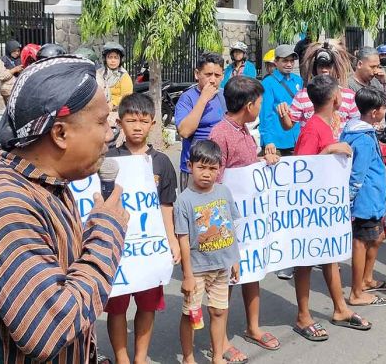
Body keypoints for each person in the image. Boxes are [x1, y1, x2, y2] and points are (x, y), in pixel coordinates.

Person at [0, 56, 129, 361]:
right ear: (59, 133)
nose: (110, 133)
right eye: (101, 121)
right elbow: (49, 329)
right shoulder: (3, 205)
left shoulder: (46, 185)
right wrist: (106, 234)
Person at [292, 74, 370, 341]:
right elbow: (299, 169)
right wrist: (328, 152)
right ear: (335, 98)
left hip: (327, 207)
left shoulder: (328, 124)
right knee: (304, 260)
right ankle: (303, 316)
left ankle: (340, 308)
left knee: (330, 256)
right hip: (309, 207)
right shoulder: (313, 128)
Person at [209, 76, 280, 360]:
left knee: (252, 273)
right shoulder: (220, 134)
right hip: (226, 221)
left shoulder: (245, 131)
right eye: (260, 103)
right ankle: (222, 341)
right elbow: (215, 181)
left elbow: (246, 169)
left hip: (250, 222)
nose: (261, 107)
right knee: (224, 281)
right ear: (249, 105)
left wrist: (265, 160)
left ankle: (253, 326)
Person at [104, 93, 179, 364]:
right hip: (118, 249)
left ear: (153, 124)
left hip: (149, 247)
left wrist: (172, 241)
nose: (137, 126)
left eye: (143, 121)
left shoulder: (161, 162)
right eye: (131, 120)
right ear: (120, 122)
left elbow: (166, 206)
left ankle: (140, 358)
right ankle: (122, 358)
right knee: (117, 308)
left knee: (147, 307)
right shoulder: (108, 161)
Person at [175, 140, 241, 364]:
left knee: (219, 311)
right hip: (197, 270)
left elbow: (231, 227)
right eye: (201, 167)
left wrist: (235, 260)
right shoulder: (183, 201)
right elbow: (182, 239)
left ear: (219, 170)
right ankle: (188, 358)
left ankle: (217, 356)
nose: (207, 173)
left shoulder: (224, 192)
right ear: (189, 165)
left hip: (222, 266)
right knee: (191, 314)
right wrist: (187, 275)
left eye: (213, 168)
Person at [340, 87, 386, 307]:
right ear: (374, 112)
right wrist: (350, 201)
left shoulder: (358, 131)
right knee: (360, 242)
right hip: (365, 201)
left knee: (377, 237)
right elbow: (357, 175)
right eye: (383, 109)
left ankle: (366, 279)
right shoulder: (363, 139)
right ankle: (356, 292)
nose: (385, 112)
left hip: (374, 199)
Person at [278, 40, 359, 138]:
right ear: (314, 68)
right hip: (312, 151)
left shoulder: (349, 96)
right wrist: (283, 113)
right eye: (320, 66)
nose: (324, 70)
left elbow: (356, 126)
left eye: (328, 66)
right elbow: (288, 126)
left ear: (337, 68)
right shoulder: (302, 95)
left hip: (340, 150)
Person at [175, 53, 226, 189]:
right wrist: (203, 99)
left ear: (223, 75)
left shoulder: (224, 96)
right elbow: (185, 132)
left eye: (217, 75)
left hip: (218, 169)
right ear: (197, 74)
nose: (212, 80)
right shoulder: (188, 98)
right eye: (208, 74)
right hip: (195, 170)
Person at [348, 46, 386, 145]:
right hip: (358, 138)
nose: (375, 71)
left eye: (378, 66)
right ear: (359, 64)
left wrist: (384, 82)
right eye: (372, 67)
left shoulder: (376, 82)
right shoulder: (348, 85)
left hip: (377, 137)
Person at [260, 45, 303, 156]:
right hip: (277, 143)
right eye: (285, 61)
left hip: (297, 139)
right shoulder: (268, 83)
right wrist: (268, 141)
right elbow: (265, 114)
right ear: (275, 61)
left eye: (292, 61)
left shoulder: (298, 80)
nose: (289, 64)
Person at [96, 41, 133, 112]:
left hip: (118, 110)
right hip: (99, 108)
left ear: (120, 60)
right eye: (110, 57)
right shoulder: (99, 73)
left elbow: (126, 97)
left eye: (116, 58)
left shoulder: (124, 76)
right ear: (105, 59)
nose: (113, 61)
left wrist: (112, 103)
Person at [0, 39, 23, 104]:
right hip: (8, 91)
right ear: (9, 50)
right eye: (14, 51)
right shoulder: (3, 60)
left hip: (20, 90)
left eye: (18, 51)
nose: (17, 53)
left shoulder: (20, 59)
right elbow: (0, 76)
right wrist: (13, 70)